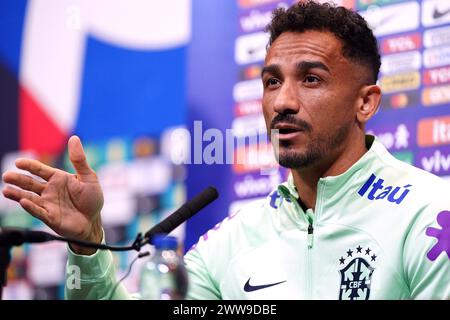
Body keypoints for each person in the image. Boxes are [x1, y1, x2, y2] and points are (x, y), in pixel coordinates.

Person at [2, 1, 450, 300]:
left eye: (310, 79)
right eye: (272, 81)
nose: (282, 102)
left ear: (366, 101)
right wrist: (88, 241)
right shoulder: (231, 241)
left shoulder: (429, 216)